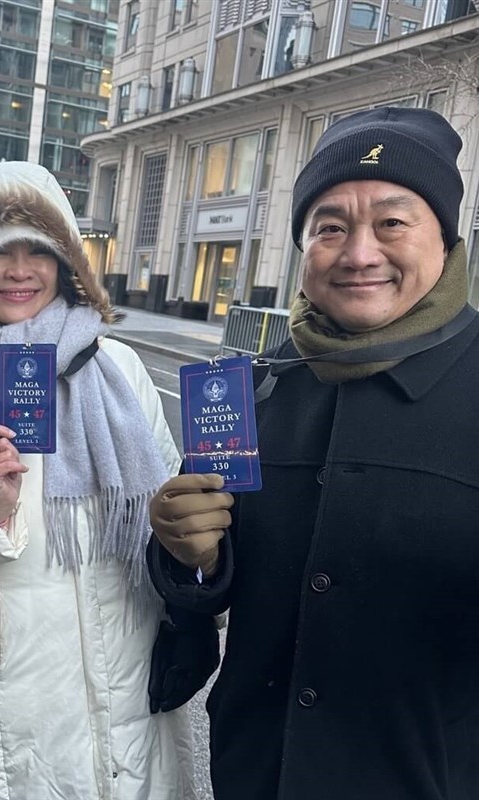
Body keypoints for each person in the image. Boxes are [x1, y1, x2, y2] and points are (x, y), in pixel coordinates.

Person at [147, 107, 479, 800]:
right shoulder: (257, 385)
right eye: (330, 226)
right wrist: (189, 556)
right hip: (258, 775)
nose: (359, 253)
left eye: (392, 222)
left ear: (445, 240)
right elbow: (211, 584)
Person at [0, 161, 197, 799]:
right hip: (13, 698)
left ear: (65, 263)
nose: (18, 268)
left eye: (38, 249)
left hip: (130, 674)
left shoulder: (118, 366)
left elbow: (168, 509)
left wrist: (202, 530)